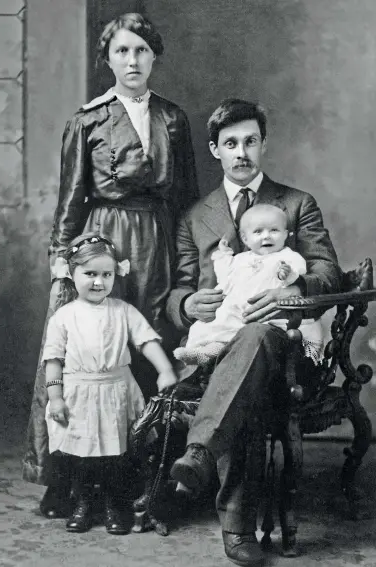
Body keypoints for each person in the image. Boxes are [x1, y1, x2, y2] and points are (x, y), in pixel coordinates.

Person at [22, 12, 198, 516]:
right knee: (90, 356)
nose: (132, 60)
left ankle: (140, 477)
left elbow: (187, 197)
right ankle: (74, 479)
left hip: (160, 242)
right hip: (103, 242)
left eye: (141, 51)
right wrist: (62, 263)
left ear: (155, 57)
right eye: (122, 51)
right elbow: (70, 200)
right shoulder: (87, 120)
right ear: (107, 59)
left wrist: (193, 263)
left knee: (150, 349)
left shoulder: (174, 118)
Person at [167, 99, 341, 566]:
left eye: (250, 141)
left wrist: (294, 290)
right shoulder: (195, 216)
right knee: (244, 357)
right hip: (219, 345)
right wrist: (186, 304)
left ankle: (202, 456)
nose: (241, 152)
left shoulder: (297, 203)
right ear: (215, 150)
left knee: (256, 341)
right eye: (230, 144)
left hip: (284, 341)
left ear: (263, 144)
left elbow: (329, 273)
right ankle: (237, 525)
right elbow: (179, 288)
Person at [42, 233, 178, 533]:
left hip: (116, 390)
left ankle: (114, 506)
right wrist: (55, 398)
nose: (99, 282)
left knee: (117, 455)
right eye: (90, 274)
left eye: (107, 274)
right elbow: (53, 360)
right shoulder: (64, 317)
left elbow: (146, 340)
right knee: (80, 456)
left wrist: (165, 369)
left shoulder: (123, 311)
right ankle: (83, 504)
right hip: (78, 392)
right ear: (71, 273)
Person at [174, 204, 324, 366]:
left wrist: (287, 274)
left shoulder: (288, 257)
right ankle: (204, 352)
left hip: (265, 313)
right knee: (212, 325)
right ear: (246, 239)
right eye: (258, 232)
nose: (266, 237)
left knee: (241, 333)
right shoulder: (241, 258)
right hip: (236, 307)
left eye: (274, 230)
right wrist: (223, 256)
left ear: (286, 235)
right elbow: (225, 275)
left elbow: (298, 273)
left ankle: (215, 352)